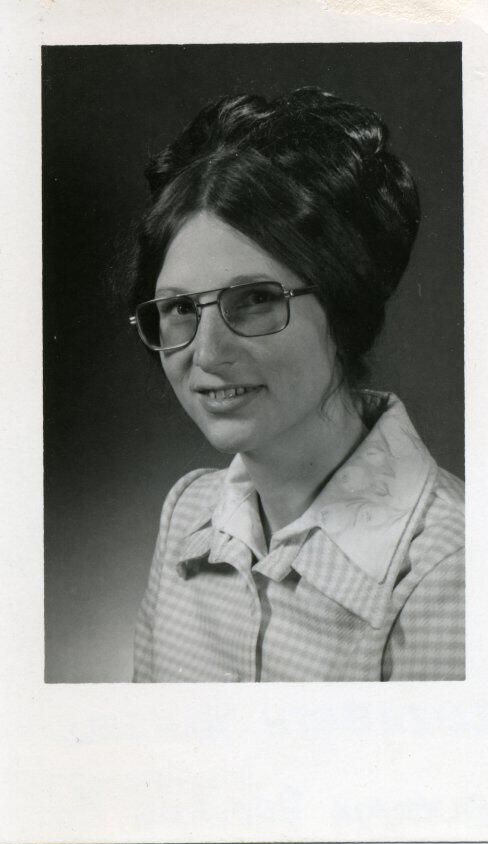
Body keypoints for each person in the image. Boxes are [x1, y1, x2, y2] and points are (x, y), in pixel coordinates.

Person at [128, 87, 464, 682]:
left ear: (344, 308)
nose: (206, 352)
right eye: (180, 307)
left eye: (256, 298)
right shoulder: (188, 514)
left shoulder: (453, 568)